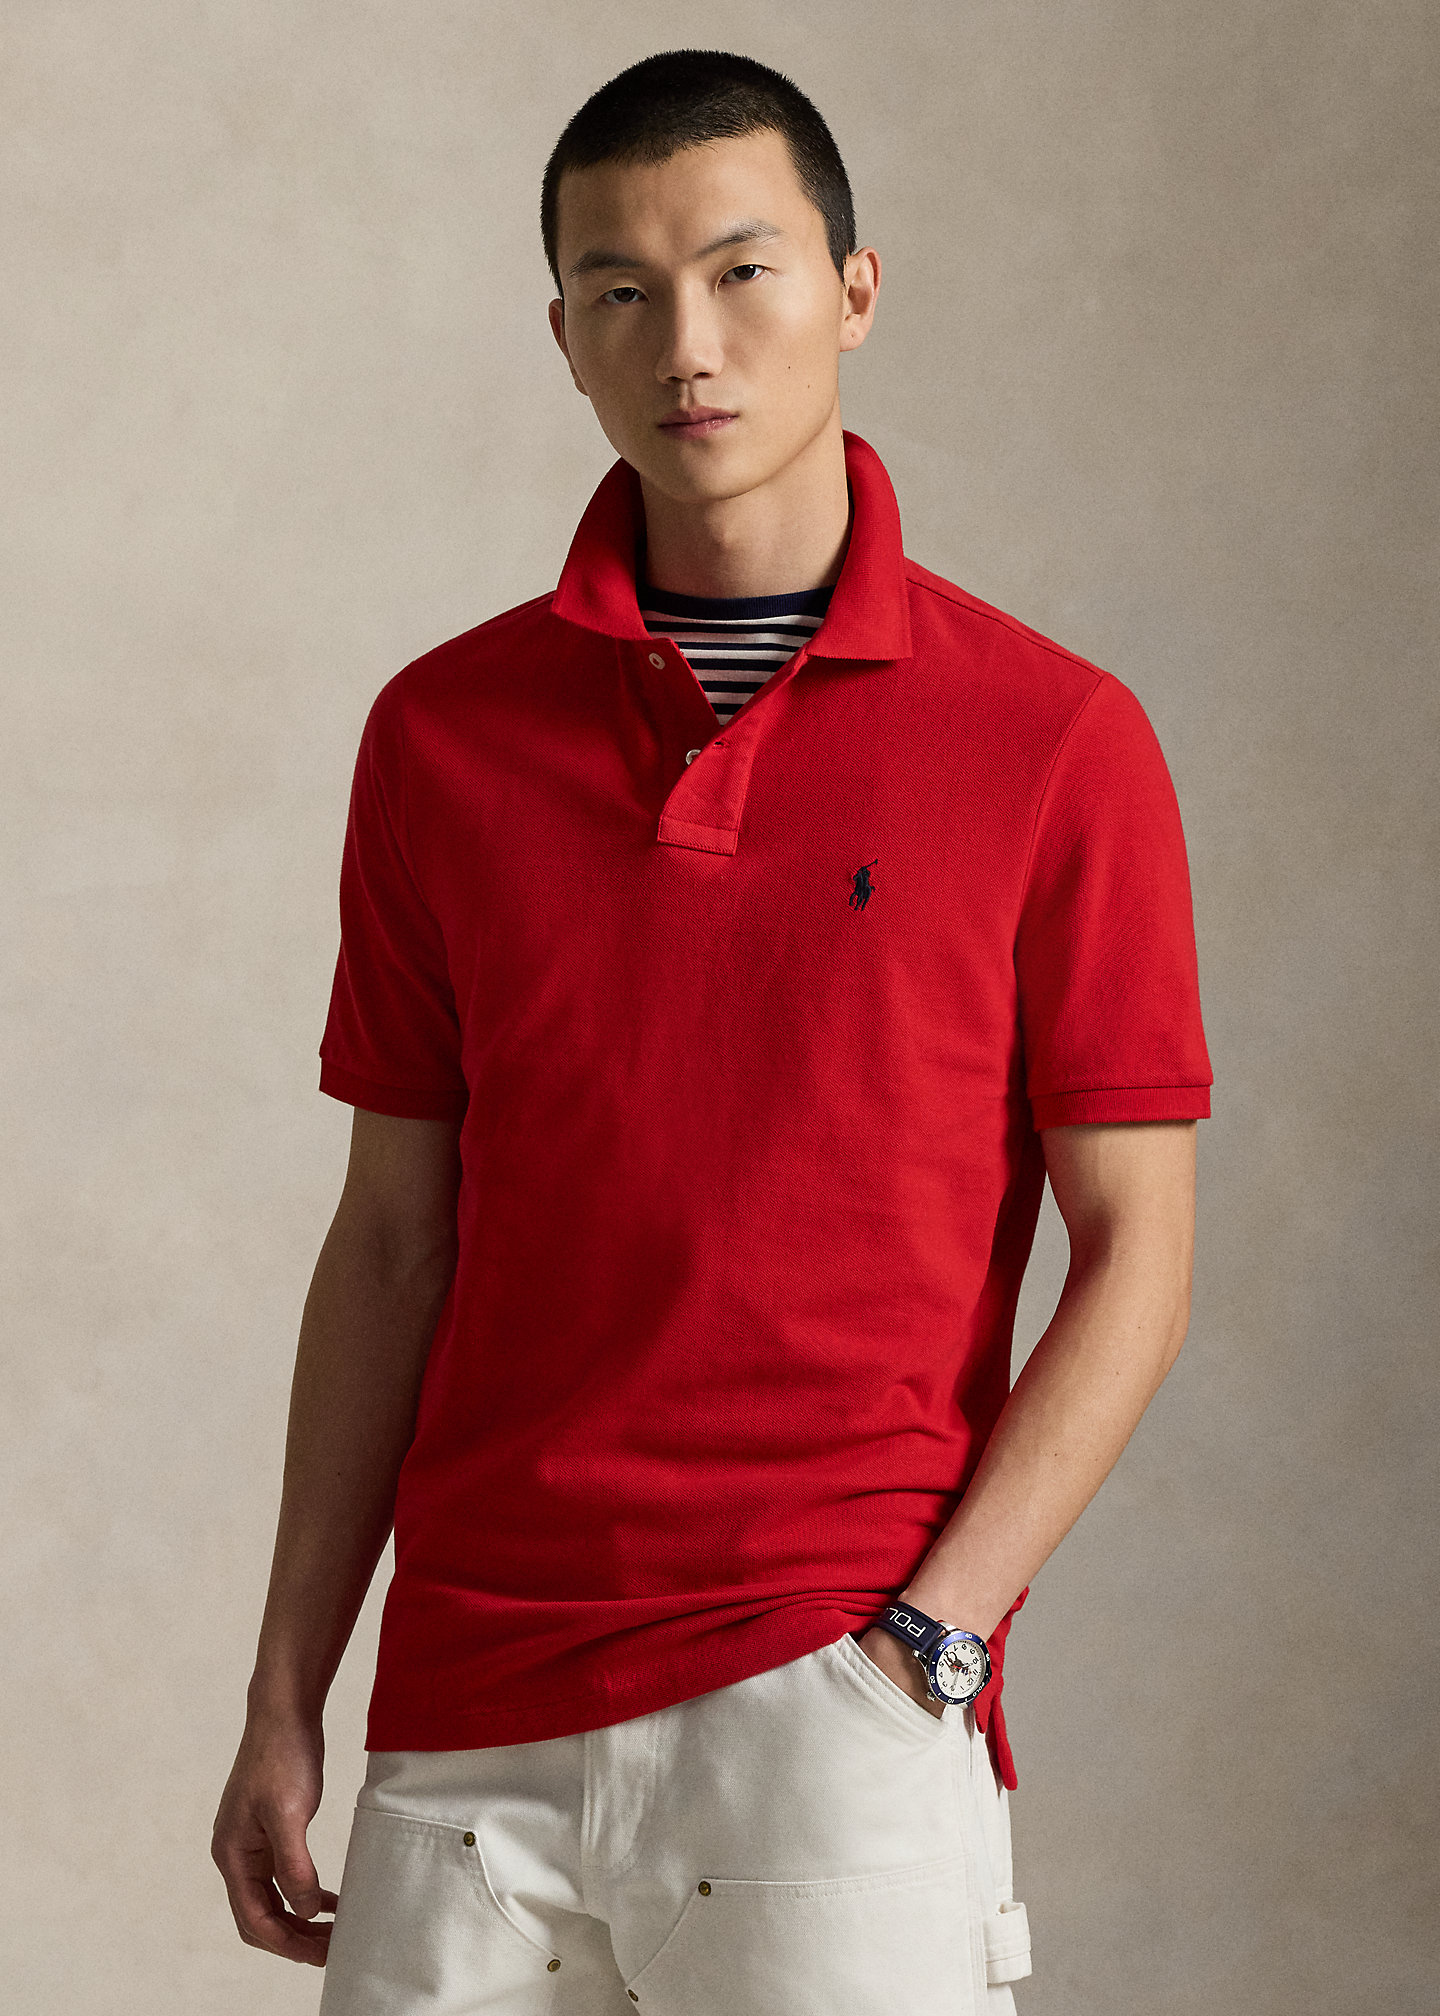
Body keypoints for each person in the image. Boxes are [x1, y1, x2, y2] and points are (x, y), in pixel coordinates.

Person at [211, 47, 1212, 2014]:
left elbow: (1140, 1256)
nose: (687, 341)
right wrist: (284, 1692)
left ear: (854, 290)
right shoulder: (440, 738)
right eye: (622, 289)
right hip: (465, 1727)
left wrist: (928, 1647)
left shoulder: (1053, 742)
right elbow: (394, 1241)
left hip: (825, 1702)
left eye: (742, 271)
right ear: (565, 338)